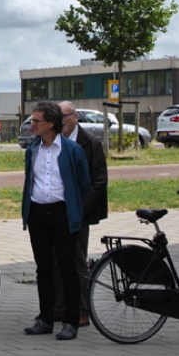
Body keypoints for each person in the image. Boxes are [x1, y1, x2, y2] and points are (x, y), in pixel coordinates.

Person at [21, 100, 90, 341]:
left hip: (63, 213)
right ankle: (45, 318)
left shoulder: (71, 150)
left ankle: (71, 321)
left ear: (51, 123)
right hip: (38, 214)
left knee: (67, 268)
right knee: (43, 269)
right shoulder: (33, 149)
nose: (33, 124)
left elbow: (83, 184)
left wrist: (72, 206)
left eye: (37, 120)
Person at [52, 101, 108, 327]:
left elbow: (99, 181)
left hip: (79, 212)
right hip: (55, 210)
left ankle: (82, 311)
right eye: (58, 117)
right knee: (55, 260)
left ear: (75, 116)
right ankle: (58, 308)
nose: (62, 120)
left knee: (76, 261)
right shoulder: (52, 141)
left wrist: (82, 209)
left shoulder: (90, 143)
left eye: (65, 116)